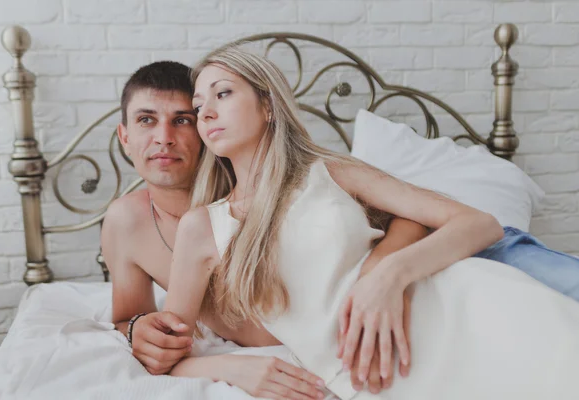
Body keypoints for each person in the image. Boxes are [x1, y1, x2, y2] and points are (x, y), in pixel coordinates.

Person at [161, 46, 579, 399]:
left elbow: (480, 224)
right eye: (198, 107)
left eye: (223, 94)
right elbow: (169, 359)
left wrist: (387, 276)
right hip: (377, 376)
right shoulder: (202, 228)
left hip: (468, 306)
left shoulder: (329, 171)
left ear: (268, 106)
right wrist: (237, 370)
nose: (207, 113)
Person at [102, 60, 429, 399]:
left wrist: (385, 273)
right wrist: (138, 329)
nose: (164, 138)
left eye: (183, 119)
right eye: (145, 120)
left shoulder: (259, 185)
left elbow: (411, 217)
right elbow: (127, 318)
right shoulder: (127, 222)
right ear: (124, 136)